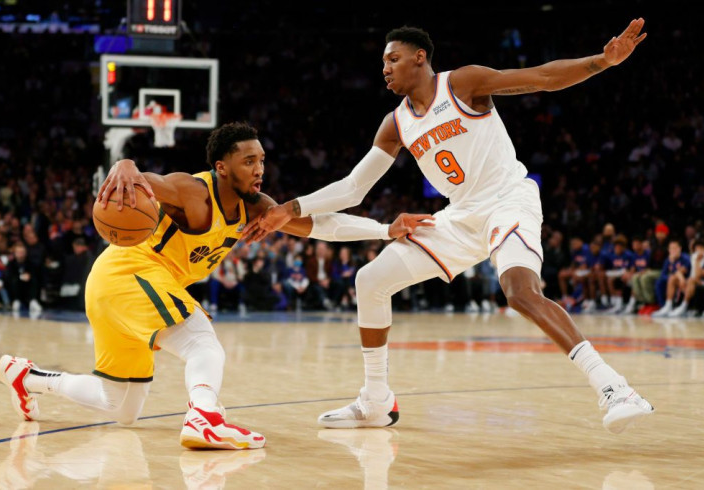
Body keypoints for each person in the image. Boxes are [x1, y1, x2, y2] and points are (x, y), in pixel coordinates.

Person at [245, 21, 653, 433]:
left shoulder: (462, 83)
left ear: (419, 57)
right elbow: (353, 188)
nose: (385, 69)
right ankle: (376, 401)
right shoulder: (395, 123)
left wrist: (602, 61)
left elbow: (542, 78)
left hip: (507, 198)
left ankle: (614, 387)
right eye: (383, 63)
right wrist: (290, 208)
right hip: (460, 214)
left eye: (393, 59)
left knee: (520, 292)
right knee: (370, 280)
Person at [0, 122, 433, 450]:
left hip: (113, 287)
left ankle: (27, 377)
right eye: (249, 161)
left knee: (120, 407)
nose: (260, 168)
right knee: (202, 343)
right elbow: (147, 181)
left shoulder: (256, 207)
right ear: (222, 167)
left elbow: (321, 225)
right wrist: (125, 162)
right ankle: (205, 417)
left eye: (262, 159)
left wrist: (382, 229)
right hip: (130, 271)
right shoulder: (192, 192)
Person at [651, 239, 691, 317]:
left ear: (680, 248)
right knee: (659, 282)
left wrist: (673, 264)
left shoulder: (685, 258)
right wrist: (670, 276)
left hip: (685, 280)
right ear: (668, 250)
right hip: (674, 280)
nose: (673, 250)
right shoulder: (668, 260)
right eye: (671, 248)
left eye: (675, 248)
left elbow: (683, 271)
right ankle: (665, 306)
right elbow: (663, 274)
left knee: (672, 279)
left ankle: (673, 306)